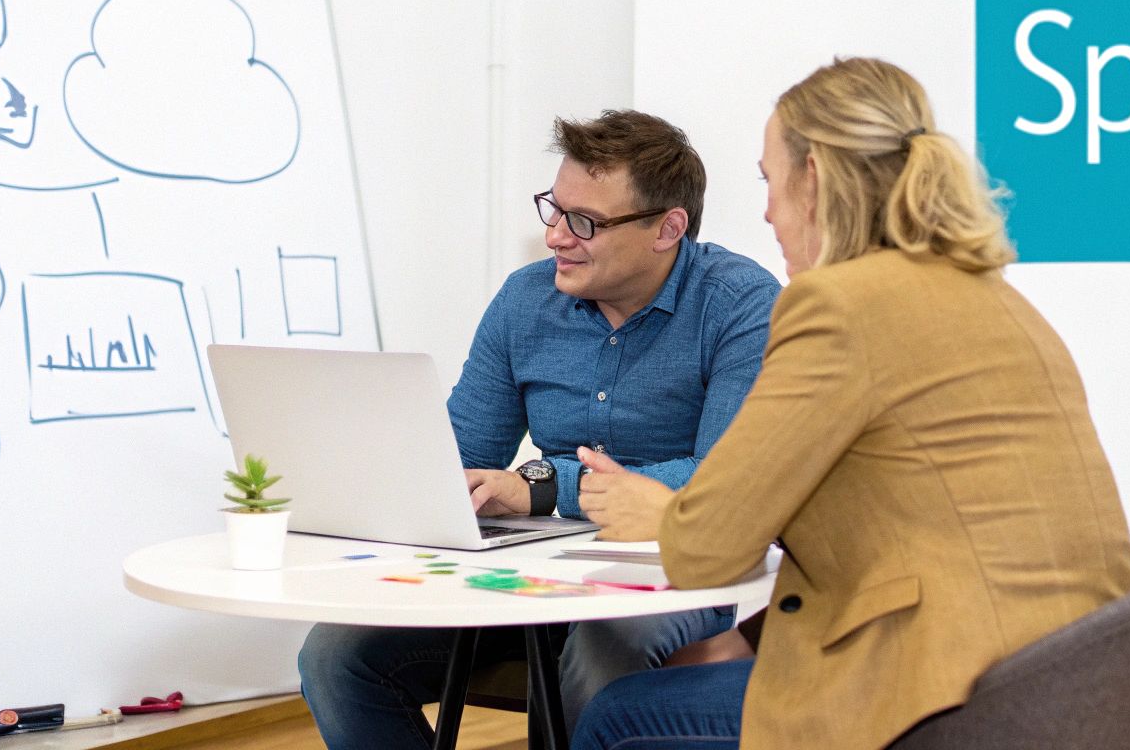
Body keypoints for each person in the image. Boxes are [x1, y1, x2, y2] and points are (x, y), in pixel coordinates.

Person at [570, 58, 1130, 750]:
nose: (766, 211)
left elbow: (707, 548)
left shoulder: (838, 305)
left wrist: (659, 511)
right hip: (1084, 680)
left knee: (620, 718)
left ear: (812, 179)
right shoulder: (992, 296)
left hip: (955, 693)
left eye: (769, 180)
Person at [297, 110, 781, 750]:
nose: (555, 236)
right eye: (553, 209)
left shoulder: (741, 304)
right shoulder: (525, 300)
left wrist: (546, 485)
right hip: (536, 571)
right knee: (336, 657)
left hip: (672, 568)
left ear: (668, 229)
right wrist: (388, 466)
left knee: (606, 651)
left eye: (585, 222)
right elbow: (464, 455)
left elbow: (722, 480)